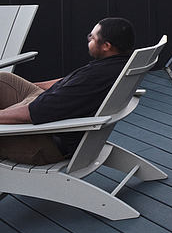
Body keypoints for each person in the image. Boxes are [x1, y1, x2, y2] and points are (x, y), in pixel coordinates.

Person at [0, 17, 135, 165]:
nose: (89, 39)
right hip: (48, 110)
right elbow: (66, 83)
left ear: (106, 46)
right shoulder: (116, 66)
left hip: (45, 142)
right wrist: (29, 87)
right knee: (4, 79)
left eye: (92, 37)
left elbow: (36, 112)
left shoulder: (94, 79)